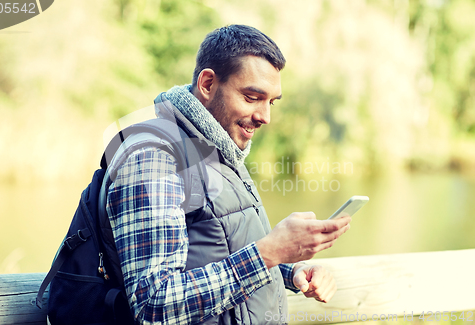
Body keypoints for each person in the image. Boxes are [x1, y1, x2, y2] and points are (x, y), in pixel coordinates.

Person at [105, 24, 351, 324]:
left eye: (270, 102)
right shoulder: (155, 158)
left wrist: (293, 268)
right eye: (251, 97)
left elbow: (222, 253)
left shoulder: (220, 146)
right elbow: (153, 305)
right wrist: (269, 253)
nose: (265, 117)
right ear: (207, 83)